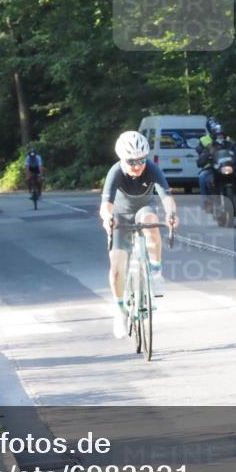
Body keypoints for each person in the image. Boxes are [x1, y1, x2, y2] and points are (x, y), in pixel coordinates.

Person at [100, 131, 179, 339]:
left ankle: (155, 271)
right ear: (122, 159)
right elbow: (105, 206)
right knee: (117, 269)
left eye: (142, 160)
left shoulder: (152, 169)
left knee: (151, 223)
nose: (137, 165)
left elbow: (166, 197)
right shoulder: (115, 172)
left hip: (144, 209)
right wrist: (108, 218)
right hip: (120, 214)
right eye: (131, 161)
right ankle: (120, 310)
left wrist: (171, 214)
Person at [197, 121, 236, 214]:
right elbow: (202, 155)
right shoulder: (210, 145)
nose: (219, 136)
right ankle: (207, 202)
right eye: (217, 135)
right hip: (214, 168)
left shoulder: (230, 143)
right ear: (213, 135)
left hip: (230, 167)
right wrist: (203, 158)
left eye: (221, 134)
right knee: (202, 177)